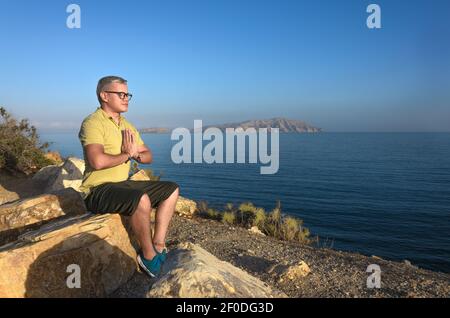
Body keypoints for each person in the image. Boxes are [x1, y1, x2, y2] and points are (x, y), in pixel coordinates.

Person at [78, 75, 179, 277]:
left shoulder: (127, 125)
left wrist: (135, 155)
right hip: (97, 190)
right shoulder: (93, 123)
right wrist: (128, 154)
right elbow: (97, 161)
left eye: (128, 94)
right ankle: (148, 257)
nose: (126, 98)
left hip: (122, 184)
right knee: (140, 199)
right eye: (121, 94)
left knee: (171, 189)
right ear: (104, 96)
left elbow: (148, 156)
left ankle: (158, 245)